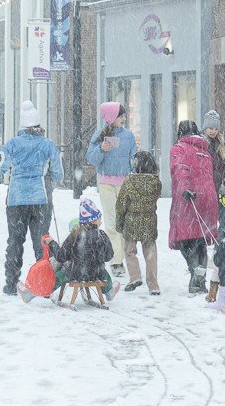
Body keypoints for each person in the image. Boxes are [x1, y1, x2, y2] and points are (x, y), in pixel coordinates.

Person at [0, 100, 65, 295]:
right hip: (40, 201)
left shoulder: (12, 145)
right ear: (39, 125)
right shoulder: (47, 145)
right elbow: (58, 173)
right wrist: (48, 186)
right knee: (42, 243)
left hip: (16, 201)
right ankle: (44, 284)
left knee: (15, 241)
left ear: (22, 126)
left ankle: (12, 283)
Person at [85, 102, 137, 278]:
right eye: (120, 116)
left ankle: (125, 256)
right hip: (106, 183)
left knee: (124, 222)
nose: (123, 119)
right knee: (112, 222)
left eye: (123, 116)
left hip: (125, 183)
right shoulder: (99, 135)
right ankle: (116, 261)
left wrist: (135, 165)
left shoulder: (129, 136)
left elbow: (134, 158)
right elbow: (91, 159)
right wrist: (101, 149)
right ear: (110, 117)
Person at [168, 120, 219, 295]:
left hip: (189, 198)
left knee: (185, 239)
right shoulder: (204, 149)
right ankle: (201, 279)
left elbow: (180, 170)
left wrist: (185, 189)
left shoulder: (179, 148)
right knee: (201, 240)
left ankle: (195, 273)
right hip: (208, 197)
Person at [115, 150, 162, 295]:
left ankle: (135, 277)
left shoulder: (129, 181)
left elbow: (121, 204)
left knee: (129, 251)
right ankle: (153, 285)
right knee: (150, 253)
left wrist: (119, 223)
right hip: (149, 220)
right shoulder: (156, 182)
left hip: (131, 220)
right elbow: (156, 197)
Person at [58, 200, 119, 308]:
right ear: (94, 220)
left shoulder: (74, 235)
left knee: (59, 276)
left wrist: (53, 245)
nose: (101, 219)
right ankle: (109, 291)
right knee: (104, 272)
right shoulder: (102, 235)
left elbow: (61, 257)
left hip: (76, 274)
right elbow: (109, 256)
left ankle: (46, 290)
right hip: (97, 274)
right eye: (99, 217)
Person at [201, 110, 225, 207]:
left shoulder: (220, 144)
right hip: (205, 188)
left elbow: (224, 165)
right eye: (211, 128)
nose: (213, 131)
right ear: (205, 128)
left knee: (222, 214)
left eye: (216, 129)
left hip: (220, 188)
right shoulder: (200, 144)